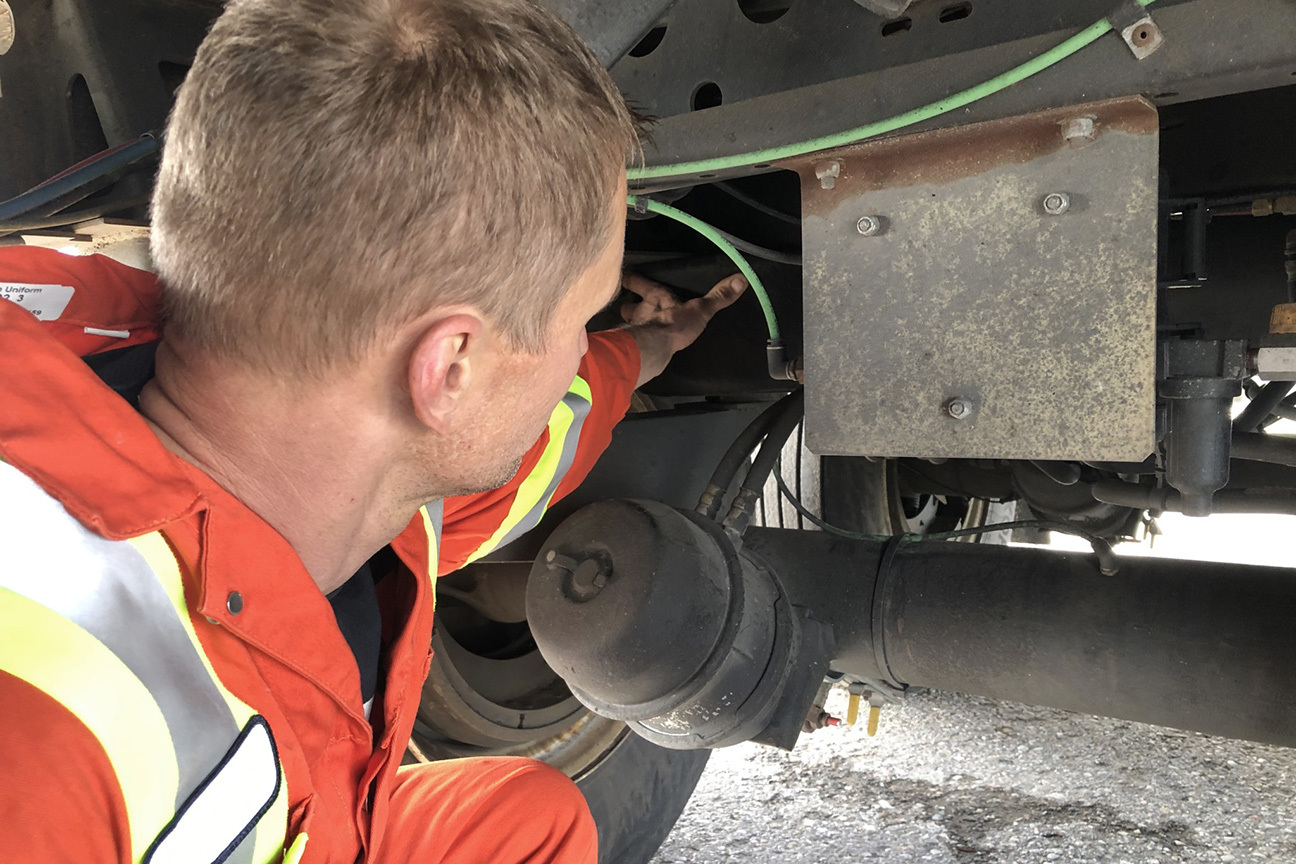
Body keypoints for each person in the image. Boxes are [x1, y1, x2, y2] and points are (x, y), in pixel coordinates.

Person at [0, 0, 747, 862]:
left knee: (523, 822)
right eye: (582, 316)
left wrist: (652, 344)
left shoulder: (306, 435)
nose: (580, 347)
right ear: (450, 368)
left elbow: (551, 428)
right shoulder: (50, 736)